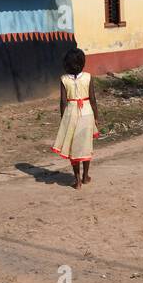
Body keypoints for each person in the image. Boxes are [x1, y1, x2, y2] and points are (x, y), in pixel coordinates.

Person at [52, 48, 99, 189]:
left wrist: (63, 119)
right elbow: (93, 99)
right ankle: (86, 176)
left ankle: (77, 180)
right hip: (87, 112)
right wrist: (96, 117)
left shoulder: (64, 79)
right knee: (85, 145)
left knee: (73, 147)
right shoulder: (88, 77)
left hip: (71, 113)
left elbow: (63, 102)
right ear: (82, 62)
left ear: (66, 64)